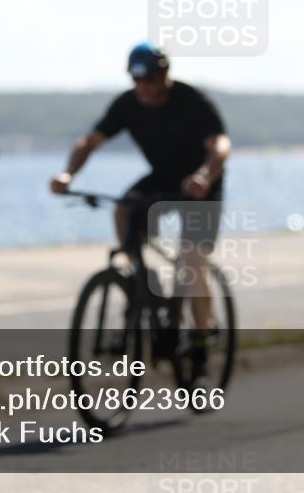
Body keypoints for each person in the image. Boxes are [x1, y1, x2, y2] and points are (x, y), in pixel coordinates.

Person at [50, 42, 232, 385]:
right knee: (123, 208)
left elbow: (221, 146)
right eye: (137, 80)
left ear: (164, 76)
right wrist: (68, 175)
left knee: (192, 261)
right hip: (163, 178)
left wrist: (205, 175)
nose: (143, 87)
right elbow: (89, 141)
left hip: (201, 184)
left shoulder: (191, 100)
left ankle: (201, 341)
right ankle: (137, 278)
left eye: (149, 79)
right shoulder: (128, 104)